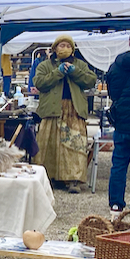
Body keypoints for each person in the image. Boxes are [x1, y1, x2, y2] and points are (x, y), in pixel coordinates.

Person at [33, 34, 97, 194]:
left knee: (74, 146)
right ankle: (49, 177)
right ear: (55, 48)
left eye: (68, 46)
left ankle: (73, 180)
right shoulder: (44, 65)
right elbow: (39, 83)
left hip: (73, 110)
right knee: (49, 145)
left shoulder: (80, 65)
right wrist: (58, 72)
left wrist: (75, 72)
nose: (65, 49)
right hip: (52, 110)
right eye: (62, 45)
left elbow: (91, 81)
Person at [106, 26, 130, 216]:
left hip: (124, 121)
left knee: (119, 164)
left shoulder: (119, 63)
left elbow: (114, 91)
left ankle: (116, 206)